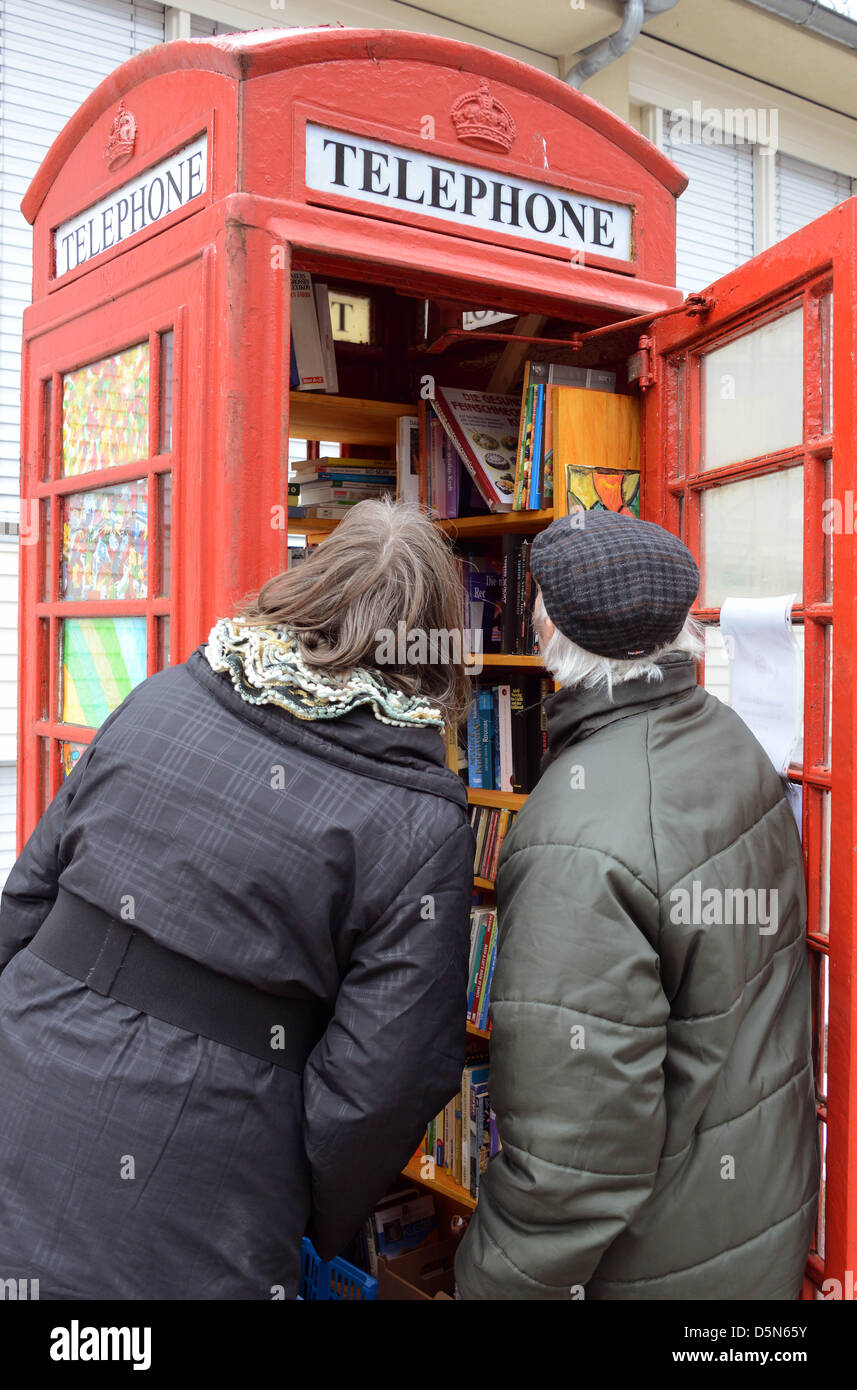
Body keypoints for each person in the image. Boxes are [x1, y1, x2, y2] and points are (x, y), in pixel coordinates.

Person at [0, 498, 475, 1299]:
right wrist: (290, 1205)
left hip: (25, 1060)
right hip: (204, 1172)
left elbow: (25, 899)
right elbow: (383, 1082)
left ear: (304, 588)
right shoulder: (420, 816)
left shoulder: (162, 698)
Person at [455, 509, 819, 1300]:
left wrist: (489, 1282)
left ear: (546, 624)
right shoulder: (723, 737)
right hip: (753, 1218)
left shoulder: (576, 834)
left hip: (655, 1263)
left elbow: (573, 1157)